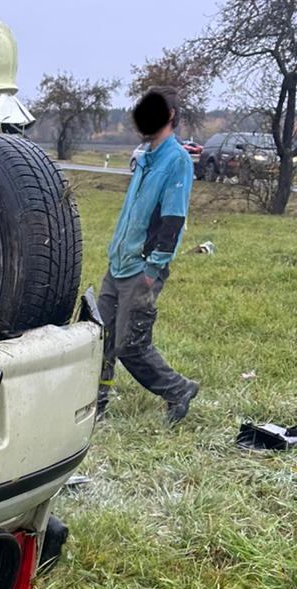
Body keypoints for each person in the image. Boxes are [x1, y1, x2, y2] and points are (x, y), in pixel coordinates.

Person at [97, 87, 198, 425]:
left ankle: (179, 390)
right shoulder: (144, 158)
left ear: (169, 115)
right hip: (118, 263)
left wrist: (152, 269)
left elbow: (173, 220)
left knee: (130, 345)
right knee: (101, 339)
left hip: (142, 269)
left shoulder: (177, 160)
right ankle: (97, 402)